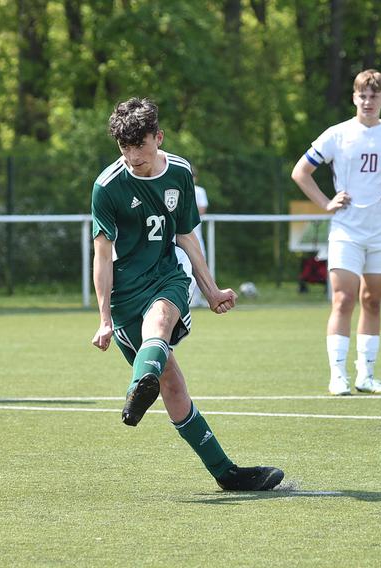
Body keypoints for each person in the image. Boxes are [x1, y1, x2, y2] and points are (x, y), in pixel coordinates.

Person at [91, 97, 283, 491]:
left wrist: (211, 290)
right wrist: (105, 319)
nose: (131, 157)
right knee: (172, 385)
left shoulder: (179, 173)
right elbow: (102, 254)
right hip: (126, 292)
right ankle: (225, 472)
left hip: (167, 276)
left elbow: (186, 236)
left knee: (160, 321)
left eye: (139, 148)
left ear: (157, 138)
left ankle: (138, 384)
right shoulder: (107, 187)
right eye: (123, 148)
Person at [291, 69, 381, 396]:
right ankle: (337, 375)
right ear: (354, 97)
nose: (368, 101)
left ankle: (366, 376)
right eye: (362, 95)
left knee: (372, 301)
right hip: (346, 232)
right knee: (342, 300)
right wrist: (326, 203)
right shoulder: (337, 134)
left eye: (374, 96)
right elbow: (301, 171)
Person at [174, 168, 209, 307]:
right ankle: (185, 297)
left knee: (200, 262)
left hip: (194, 233)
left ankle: (200, 297)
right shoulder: (177, 188)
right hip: (178, 234)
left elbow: (201, 209)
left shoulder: (199, 191)